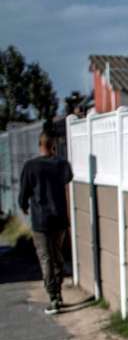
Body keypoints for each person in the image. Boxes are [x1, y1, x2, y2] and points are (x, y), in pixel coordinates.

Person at [19, 130, 73, 314]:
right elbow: (68, 177)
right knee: (57, 256)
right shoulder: (61, 164)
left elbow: (24, 193)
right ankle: (58, 290)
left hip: (40, 219)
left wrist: (24, 205)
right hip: (59, 218)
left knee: (45, 258)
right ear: (53, 145)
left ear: (39, 144)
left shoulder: (30, 166)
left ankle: (53, 297)